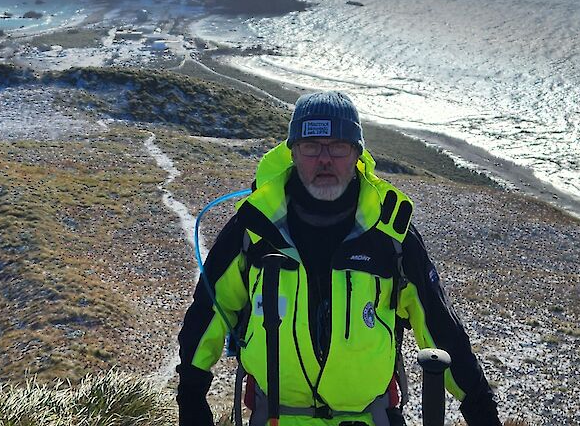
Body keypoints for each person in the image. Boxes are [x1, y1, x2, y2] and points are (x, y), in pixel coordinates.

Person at [176, 91, 503, 426]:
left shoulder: (391, 233)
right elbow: (209, 309)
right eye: (311, 146)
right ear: (293, 152)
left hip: (368, 419)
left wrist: (478, 404)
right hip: (274, 417)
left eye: (338, 146)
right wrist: (191, 393)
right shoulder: (254, 227)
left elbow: (437, 323)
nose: (325, 159)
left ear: (357, 153)